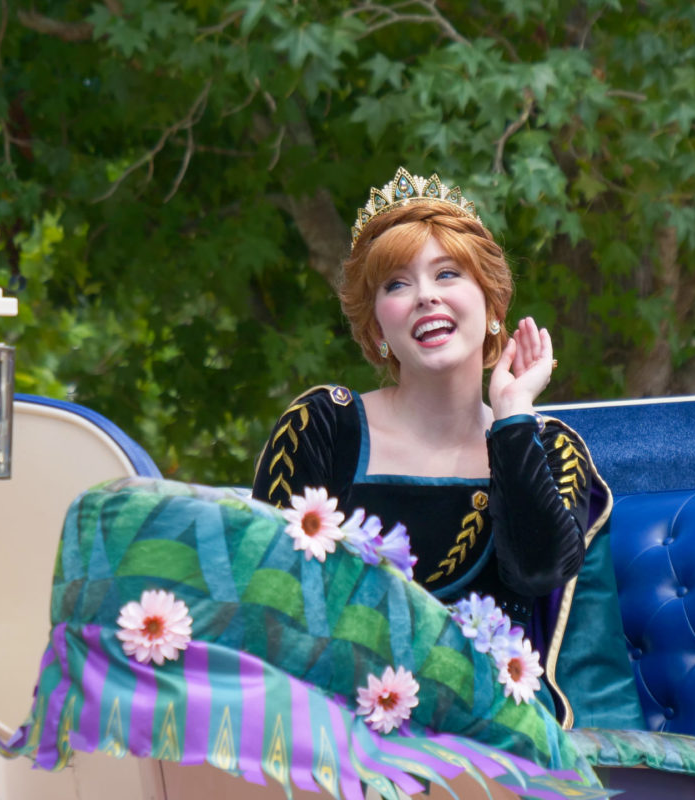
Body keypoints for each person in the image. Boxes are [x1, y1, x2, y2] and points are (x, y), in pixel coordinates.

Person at [251, 167, 610, 641]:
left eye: (447, 274)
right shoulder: (321, 428)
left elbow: (537, 574)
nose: (426, 296)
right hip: (343, 704)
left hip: (497, 708)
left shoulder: (550, 447)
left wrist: (512, 417)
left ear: (491, 308)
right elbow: (268, 596)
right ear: (378, 329)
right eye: (396, 285)